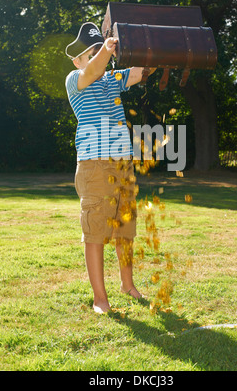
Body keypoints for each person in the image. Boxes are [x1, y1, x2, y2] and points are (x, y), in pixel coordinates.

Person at [65, 22, 155, 313]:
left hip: (122, 164)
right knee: (95, 232)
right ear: (77, 60)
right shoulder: (75, 78)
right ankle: (100, 299)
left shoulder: (112, 78)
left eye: (97, 51)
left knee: (125, 229)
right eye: (88, 54)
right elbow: (92, 71)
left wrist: (151, 47)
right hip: (95, 165)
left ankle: (127, 285)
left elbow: (143, 71)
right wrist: (105, 50)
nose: (94, 58)